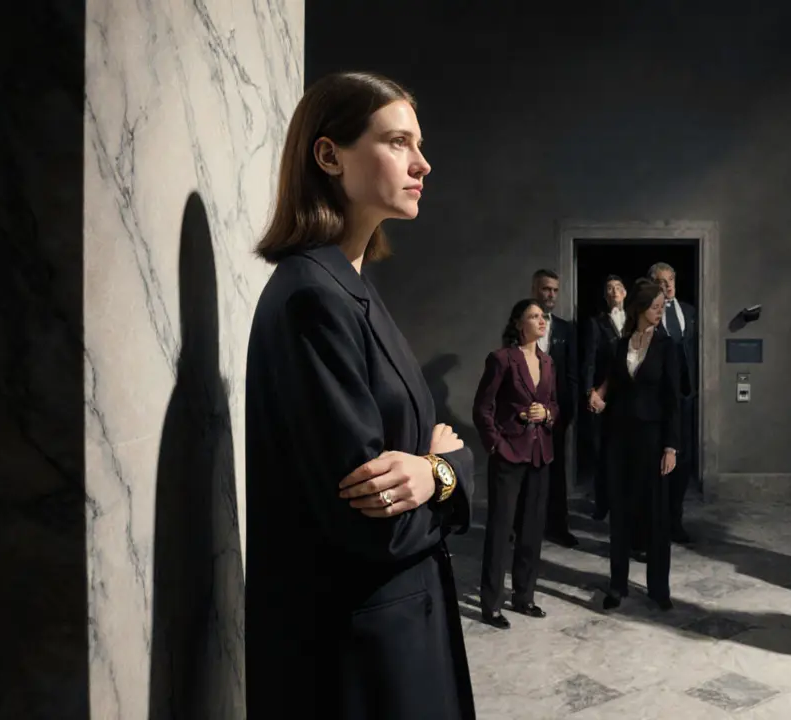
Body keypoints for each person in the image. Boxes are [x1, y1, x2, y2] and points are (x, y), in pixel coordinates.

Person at [244, 71, 476, 719]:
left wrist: (430, 470)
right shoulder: (314, 296)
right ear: (329, 155)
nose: (422, 163)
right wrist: (446, 469)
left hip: (391, 630)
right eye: (398, 142)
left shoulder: (352, 286)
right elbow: (372, 525)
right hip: (361, 654)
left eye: (418, 144)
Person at [588, 279, 680, 611]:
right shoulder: (618, 344)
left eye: (662, 307)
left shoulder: (668, 347)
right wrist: (598, 396)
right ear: (639, 309)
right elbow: (609, 383)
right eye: (656, 307)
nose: (660, 312)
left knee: (656, 516)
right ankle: (617, 585)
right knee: (621, 515)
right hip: (618, 440)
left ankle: (659, 588)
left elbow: (673, 400)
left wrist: (671, 446)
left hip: (654, 441)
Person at [472, 299, 559, 629]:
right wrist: (495, 444)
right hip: (508, 454)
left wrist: (547, 414)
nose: (541, 321)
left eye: (543, 317)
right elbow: (483, 408)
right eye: (534, 316)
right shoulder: (502, 359)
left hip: (541, 454)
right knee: (499, 529)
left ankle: (525, 597)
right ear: (519, 324)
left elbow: (554, 404)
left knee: (532, 531)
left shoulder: (548, 362)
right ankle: (491, 603)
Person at [648, 262, 698, 543]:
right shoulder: (648, 314)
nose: (666, 286)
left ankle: (675, 522)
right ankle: (655, 524)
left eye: (669, 280)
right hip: (658, 399)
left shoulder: (689, 312)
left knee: (683, 461)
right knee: (659, 461)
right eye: (660, 281)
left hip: (686, 398)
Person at [531, 269, 580, 547]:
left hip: (556, 410)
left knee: (556, 470)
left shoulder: (565, 328)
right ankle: (524, 526)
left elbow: (571, 373)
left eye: (554, 290)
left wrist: (568, 409)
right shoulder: (522, 323)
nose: (550, 295)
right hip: (526, 410)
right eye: (545, 289)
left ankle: (558, 527)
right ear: (534, 288)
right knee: (526, 470)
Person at [580, 274, 627, 520]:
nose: (614, 292)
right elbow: (588, 361)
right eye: (609, 288)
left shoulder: (635, 321)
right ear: (605, 296)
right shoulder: (595, 323)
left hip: (629, 397)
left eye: (618, 287)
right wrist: (590, 392)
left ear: (626, 293)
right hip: (603, 394)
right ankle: (602, 504)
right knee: (602, 450)